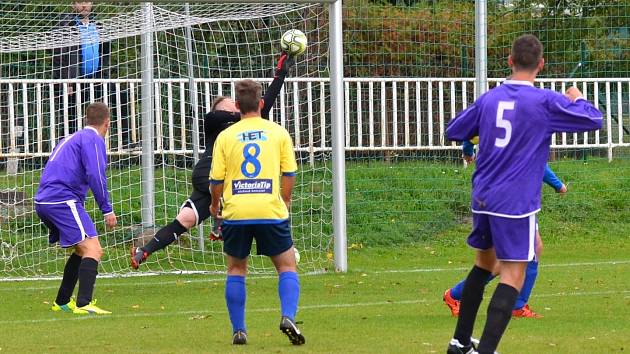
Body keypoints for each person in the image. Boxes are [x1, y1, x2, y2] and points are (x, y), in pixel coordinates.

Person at [445, 34, 602, 354]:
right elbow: (593, 119)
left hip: (483, 196)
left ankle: (459, 341)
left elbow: (453, 130)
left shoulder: (490, 98)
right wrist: (577, 98)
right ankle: (485, 350)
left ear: (509, 61)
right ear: (540, 65)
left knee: (484, 265)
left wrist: (482, 127)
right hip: (514, 202)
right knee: (513, 275)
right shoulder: (544, 102)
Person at [130, 53, 295, 269]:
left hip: (211, 184)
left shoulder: (241, 122)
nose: (235, 108)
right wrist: (249, 110)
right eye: (231, 106)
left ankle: (144, 251)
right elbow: (256, 110)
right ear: (219, 109)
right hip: (209, 173)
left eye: (237, 106)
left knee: (185, 219)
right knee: (236, 185)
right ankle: (220, 225)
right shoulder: (214, 120)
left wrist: (280, 75)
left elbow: (264, 104)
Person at [209, 79, 304, 346]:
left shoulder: (226, 136)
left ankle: (239, 330)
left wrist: (215, 206)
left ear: (237, 106)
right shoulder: (278, 133)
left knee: (236, 269)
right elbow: (289, 173)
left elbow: (216, 180)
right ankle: (288, 316)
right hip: (269, 209)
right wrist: (285, 200)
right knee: (286, 265)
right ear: (261, 103)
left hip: (237, 211)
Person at [443, 139, 568, 319]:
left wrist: (468, 152)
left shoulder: (489, 115)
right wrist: (557, 184)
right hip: (511, 197)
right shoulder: (521, 123)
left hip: (495, 193)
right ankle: (458, 295)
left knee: (527, 250)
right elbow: (535, 160)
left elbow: (470, 134)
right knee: (520, 254)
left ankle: (462, 296)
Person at [35, 102, 117, 315]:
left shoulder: (70, 138)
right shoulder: (93, 139)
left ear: (86, 120)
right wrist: (106, 209)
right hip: (62, 200)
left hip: (45, 200)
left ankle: (62, 301)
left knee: (82, 250)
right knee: (93, 249)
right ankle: (84, 303)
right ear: (107, 124)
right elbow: (95, 174)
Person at [52, 2, 130, 148]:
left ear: (92, 3)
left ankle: (126, 142)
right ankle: (65, 148)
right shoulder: (65, 25)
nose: (84, 6)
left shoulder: (98, 25)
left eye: (87, 2)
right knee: (70, 116)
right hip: (74, 80)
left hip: (97, 78)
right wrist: (66, 80)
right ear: (73, 4)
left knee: (122, 95)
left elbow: (105, 52)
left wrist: (105, 73)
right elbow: (59, 55)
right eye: (80, 2)